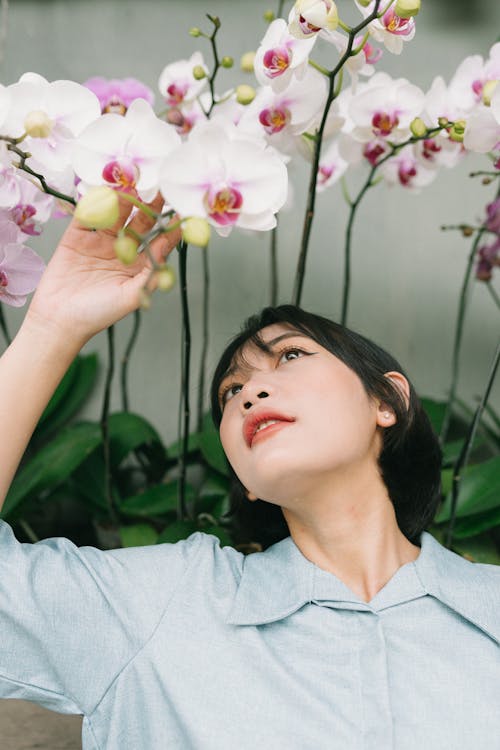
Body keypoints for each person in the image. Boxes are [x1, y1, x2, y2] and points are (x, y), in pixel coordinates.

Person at [0, 198, 499, 750]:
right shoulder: (159, 606)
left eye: (289, 357)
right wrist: (52, 327)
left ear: (387, 401)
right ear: (246, 482)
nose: (251, 393)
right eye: (231, 392)